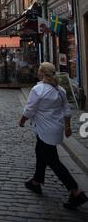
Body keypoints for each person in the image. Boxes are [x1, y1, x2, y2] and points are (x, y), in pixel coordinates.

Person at [19, 62, 88, 210]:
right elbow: (67, 110)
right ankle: (36, 181)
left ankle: (75, 191)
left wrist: (22, 120)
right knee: (40, 151)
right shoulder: (60, 89)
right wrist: (68, 126)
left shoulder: (38, 89)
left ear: (41, 73)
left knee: (53, 161)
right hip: (55, 129)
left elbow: (30, 110)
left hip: (45, 130)